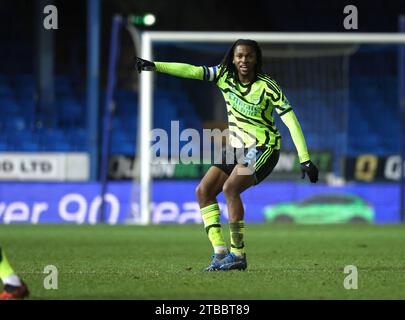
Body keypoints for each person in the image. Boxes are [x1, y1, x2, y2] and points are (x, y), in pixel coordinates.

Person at [136, 39, 318, 271]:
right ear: (233, 58)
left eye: (248, 56)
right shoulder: (223, 75)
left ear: (256, 59)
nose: (243, 60)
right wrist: (155, 65)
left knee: (230, 189)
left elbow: (291, 121)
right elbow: (192, 71)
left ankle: (238, 255)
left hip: (263, 148)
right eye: (239, 56)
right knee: (203, 191)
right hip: (236, 148)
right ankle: (220, 252)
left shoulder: (267, 86)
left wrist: (304, 158)